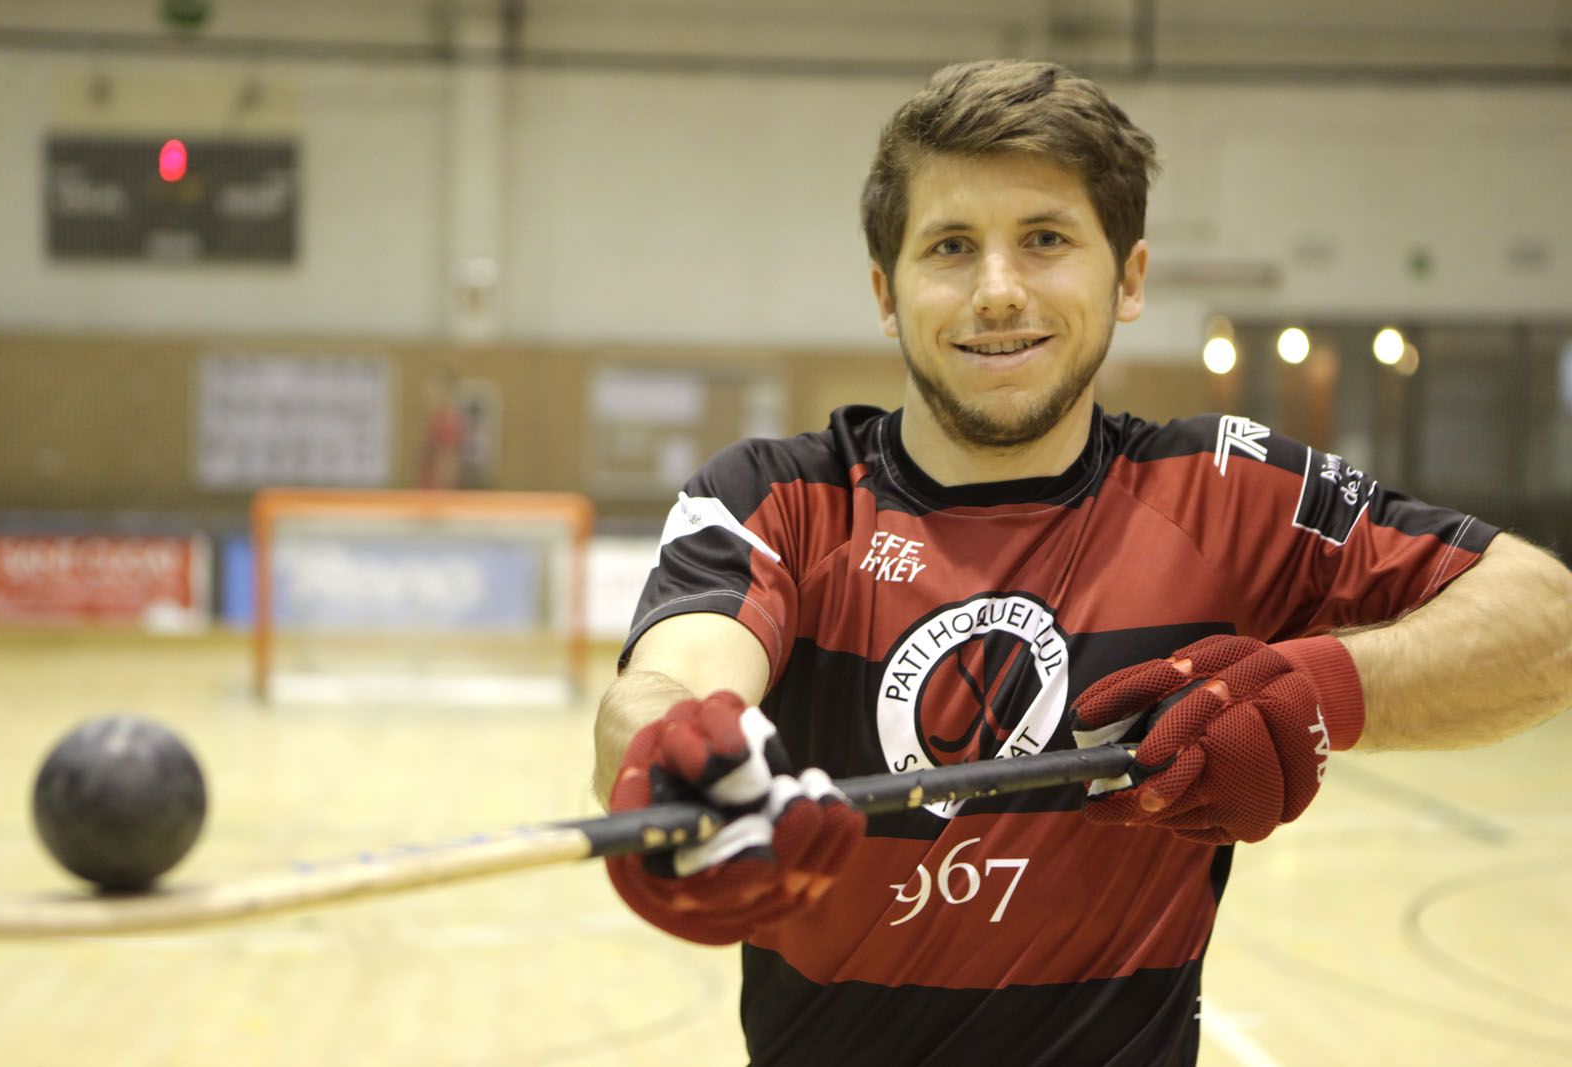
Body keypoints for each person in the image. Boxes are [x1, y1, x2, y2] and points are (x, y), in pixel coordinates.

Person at [592, 59, 1572, 1066]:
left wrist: (1324, 691)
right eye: (951, 247)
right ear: (888, 294)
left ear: (1130, 277)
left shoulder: (1226, 491)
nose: (999, 290)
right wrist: (674, 760)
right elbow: (669, 678)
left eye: (1046, 240)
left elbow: (1545, 620)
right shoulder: (777, 496)